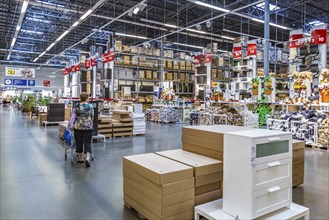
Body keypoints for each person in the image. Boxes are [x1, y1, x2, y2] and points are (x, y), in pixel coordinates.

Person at [73, 92, 94, 168]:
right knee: (87, 142)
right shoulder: (90, 106)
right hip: (88, 127)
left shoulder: (77, 105)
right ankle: (87, 158)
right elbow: (92, 116)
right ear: (86, 98)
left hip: (78, 126)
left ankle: (81, 158)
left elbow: (74, 115)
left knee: (79, 141)